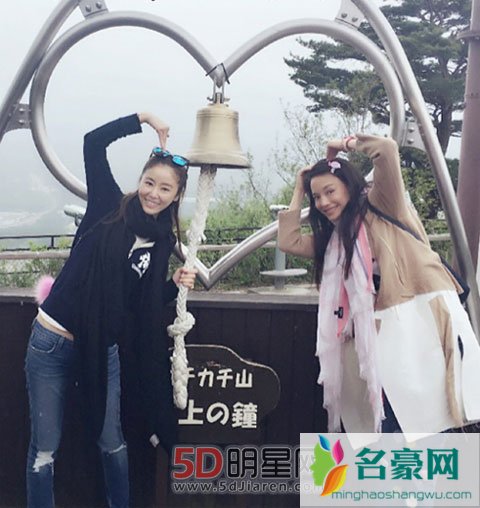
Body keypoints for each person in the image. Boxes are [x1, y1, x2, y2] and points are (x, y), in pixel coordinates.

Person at [24, 112, 196, 508]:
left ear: (176, 195)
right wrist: (141, 118)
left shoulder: (160, 243)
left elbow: (140, 305)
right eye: (149, 182)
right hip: (52, 340)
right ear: (140, 181)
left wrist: (173, 285)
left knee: (112, 441)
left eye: (165, 188)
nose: (154, 193)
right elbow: (93, 142)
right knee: (45, 447)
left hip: (104, 348)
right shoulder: (108, 204)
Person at [278, 133, 480, 435]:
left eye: (330, 191)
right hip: (378, 338)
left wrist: (341, 146)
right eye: (317, 197)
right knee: (393, 419)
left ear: (349, 185)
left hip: (418, 320)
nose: (323, 202)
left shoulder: (383, 205)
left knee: (430, 415)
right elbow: (289, 241)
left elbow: (385, 149)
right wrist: (299, 187)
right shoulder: (334, 239)